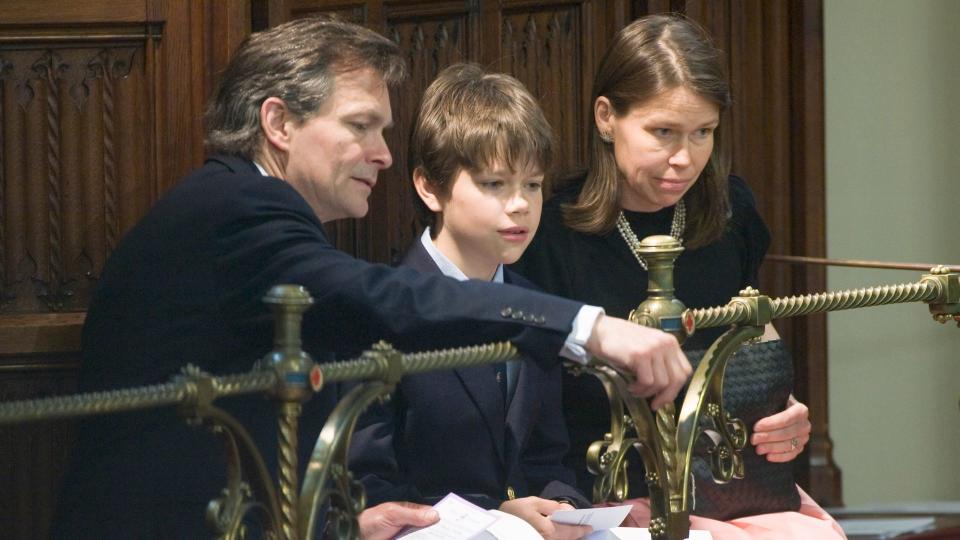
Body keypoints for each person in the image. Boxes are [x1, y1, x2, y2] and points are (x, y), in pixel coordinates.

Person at [52, 17, 690, 539]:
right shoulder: (238, 208)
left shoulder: (248, 205)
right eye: (361, 127)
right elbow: (381, 299)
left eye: (384, 132)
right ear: (278, 124)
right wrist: (586, 325)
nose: (383, 154)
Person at [511, 14, 846, 539]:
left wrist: (784, 413)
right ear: (606, 117)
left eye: (703, 133)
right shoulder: (550, 236)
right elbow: (531, 406)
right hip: (604, 493)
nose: (684, 159)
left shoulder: (730, 211)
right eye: (662, 132)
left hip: (731, 489)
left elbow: (755, 340)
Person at [349, 64, 592, 540]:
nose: (520, 204)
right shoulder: (381, 313)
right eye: (494, 184)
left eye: (533, 184)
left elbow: (548, 457)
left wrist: (565, 506)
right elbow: (372, 489)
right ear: (429, 187)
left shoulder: (537, 303)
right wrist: (501, 511)